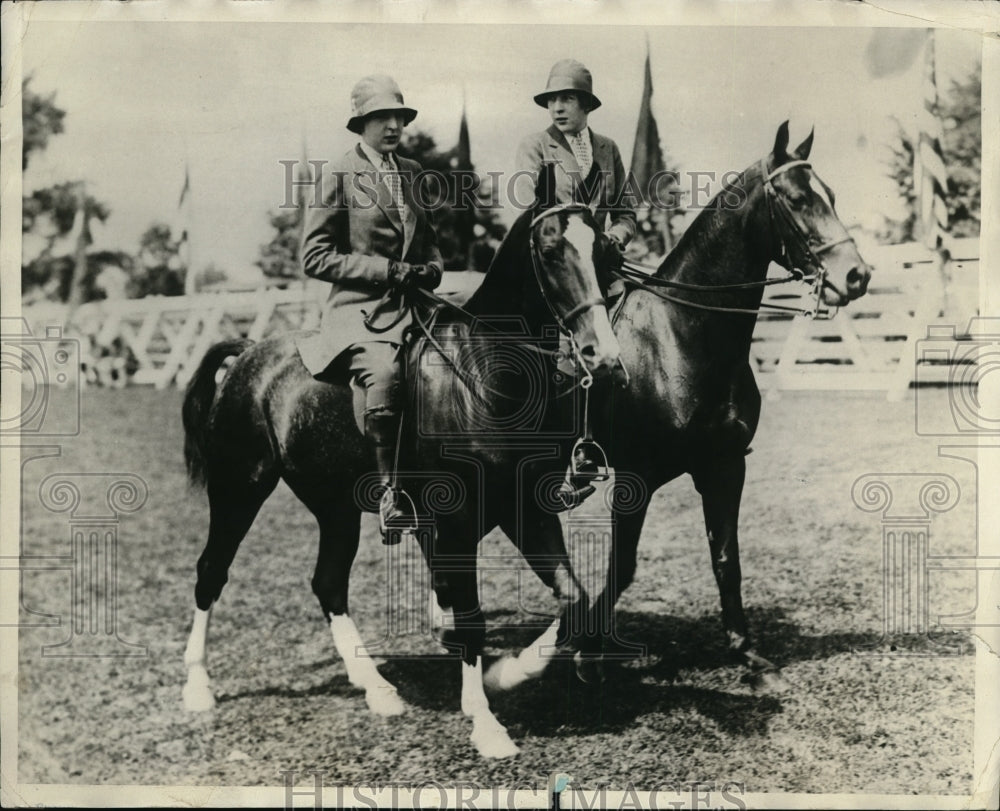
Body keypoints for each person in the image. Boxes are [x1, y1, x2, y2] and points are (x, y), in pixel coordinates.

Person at [296, 75, 443, 543]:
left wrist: (431, 270)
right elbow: (314, 256)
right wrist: (387, 271)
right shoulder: (338, 173)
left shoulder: (415, 173)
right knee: (384, 371)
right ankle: (390, 494)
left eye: (399, 116)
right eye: (383, 117)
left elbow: (432, 244)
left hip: (416, 306)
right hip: (360, 311)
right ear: (362, 124)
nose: (393, 125)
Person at [515, 59, 637, 503]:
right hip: (558, 272)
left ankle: (613, 439)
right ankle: (567, 454)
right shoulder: (535, 147)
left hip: (601, 267)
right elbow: (531, 215)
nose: (558, 108)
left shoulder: (607, 148)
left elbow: (625, 213)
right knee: (566, 354)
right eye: (552, 100)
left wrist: (612, 238)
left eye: (567, 99)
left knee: (631, 333)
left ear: (586, 105)